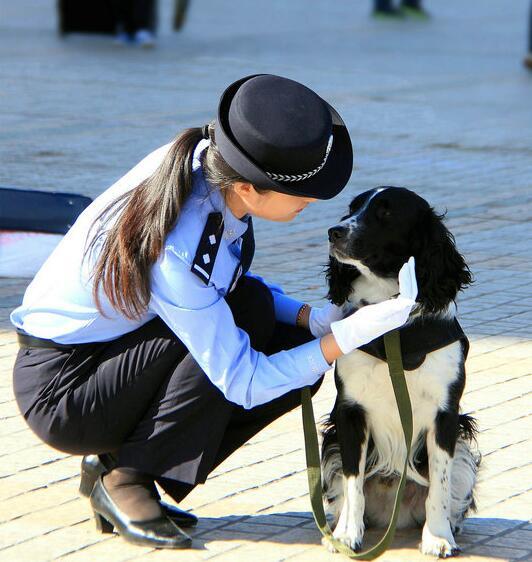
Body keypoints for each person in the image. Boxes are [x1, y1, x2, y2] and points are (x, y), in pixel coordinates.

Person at [11, 74, 418, 550]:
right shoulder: (183, 246)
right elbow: (242, 380)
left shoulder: (207, 164)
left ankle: (126, 462)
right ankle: (125, 475)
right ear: (248, 187)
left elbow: (230, 285)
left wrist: (314, 320)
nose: (313, 200)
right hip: (67, 392)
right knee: (267, 349)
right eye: (304, 192)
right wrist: (343, 339)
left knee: (278, 334)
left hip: (111, 355)